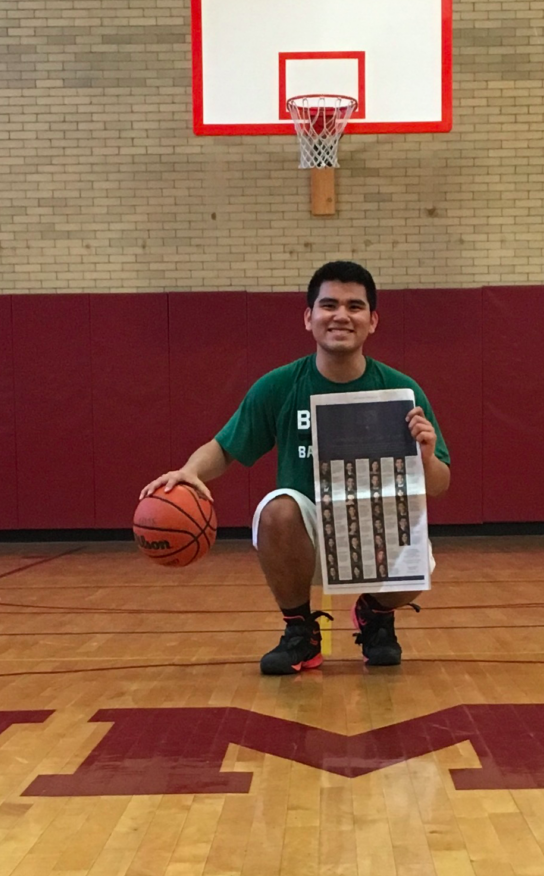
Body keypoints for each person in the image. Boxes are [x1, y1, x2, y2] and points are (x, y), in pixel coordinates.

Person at [139, 261, 450, 675]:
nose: (341, 315)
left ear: (372, 320)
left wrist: (426, 457)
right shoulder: (280, 385)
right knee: (277, 508)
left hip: (370, 533)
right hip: (308, 535)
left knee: (418, 563)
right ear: (309, 317)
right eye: (329, 305)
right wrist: (191, 472)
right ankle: (300, 631)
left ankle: (375, 614)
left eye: (355, 306)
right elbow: (225, 446)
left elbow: (441, 485)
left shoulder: (401, 391)